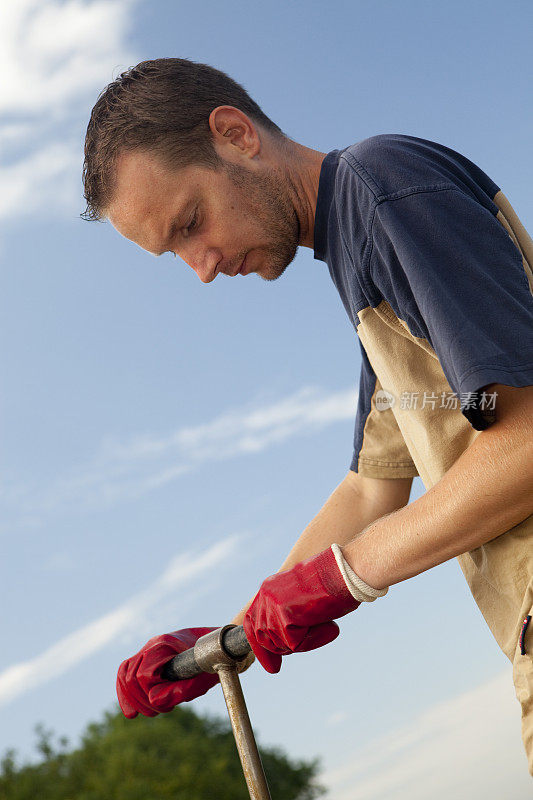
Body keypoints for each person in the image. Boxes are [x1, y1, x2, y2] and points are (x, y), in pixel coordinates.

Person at [82, 58, 533, 772]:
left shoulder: (380, 187)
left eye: (191, 221)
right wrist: (227, 639)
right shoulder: (359, 258)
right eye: (176, 253)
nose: (200, 266)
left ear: (235, 135)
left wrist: (343, 576)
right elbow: (371, 486)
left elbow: (526, 441)